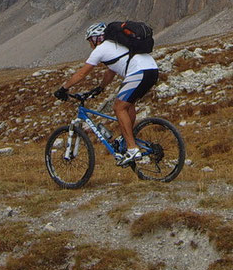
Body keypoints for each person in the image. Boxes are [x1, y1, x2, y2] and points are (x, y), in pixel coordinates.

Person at [54, 22, 159, 166]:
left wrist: (63, 88)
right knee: (129, 104)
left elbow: (82, 74)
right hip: (152, 70)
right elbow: (111, 71)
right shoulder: (117, 45)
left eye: (90, 40)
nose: (90, 45)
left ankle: (132, 148)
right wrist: (100, 88)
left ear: (96, 38)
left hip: (139, 72)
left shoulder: (101, 49)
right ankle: (127, 139)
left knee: (119, 108)